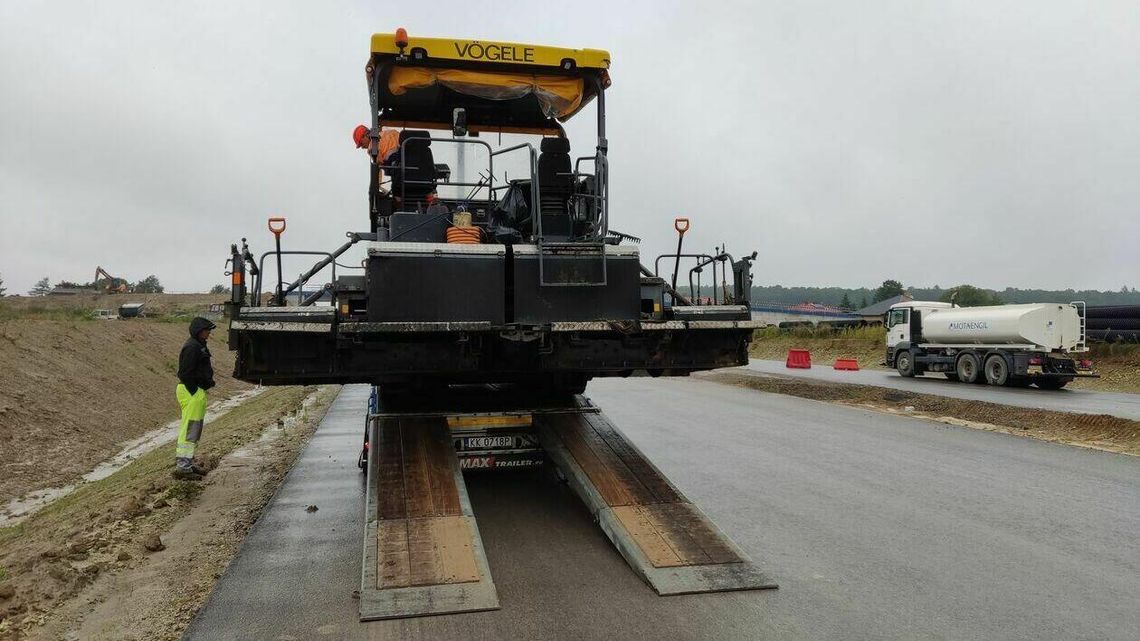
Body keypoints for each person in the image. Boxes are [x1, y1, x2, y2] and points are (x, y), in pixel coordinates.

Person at [174, 317, 217, 480]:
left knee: (194, 429)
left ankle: (188, 464)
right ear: (199, 331)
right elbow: (184, 373)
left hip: (195, 391)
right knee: (190, 429)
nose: (209, 333)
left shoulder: (198, 345)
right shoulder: (193, 347)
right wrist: (194, 390)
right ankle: (183, 467)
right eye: (207, 330)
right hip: (191, 391)